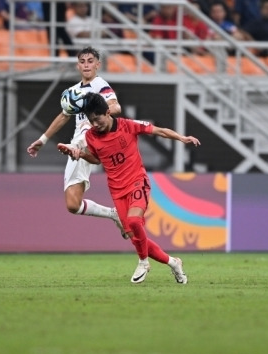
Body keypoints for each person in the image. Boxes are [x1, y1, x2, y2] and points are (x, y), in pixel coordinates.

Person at [58, 92, 199, 284]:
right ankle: (173, 262)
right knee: (138, 240)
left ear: (108, 113)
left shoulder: (128, 125)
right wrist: (80, 155)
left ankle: (143, 262)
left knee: (134, 221)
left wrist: (181, 138)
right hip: (117, 190)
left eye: (97, 119)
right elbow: (97, 159)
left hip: (137, 181)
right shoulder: (91, 136)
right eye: (91, 121)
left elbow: (159, 131)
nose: (95, 124)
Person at [26, 47, 126, 239]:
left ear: (98, 64)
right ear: (77, 65)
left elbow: (116, 106)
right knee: (73, 204)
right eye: (83, 61)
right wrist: (42, 139)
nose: (86, 64)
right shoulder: (72, 92)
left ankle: (78, 147)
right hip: (78, 142)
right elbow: (64, 116)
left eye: (90, 61)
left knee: (83, 135)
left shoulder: (100, 85)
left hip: (90, 139)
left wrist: (97, 112)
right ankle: (113, 214)